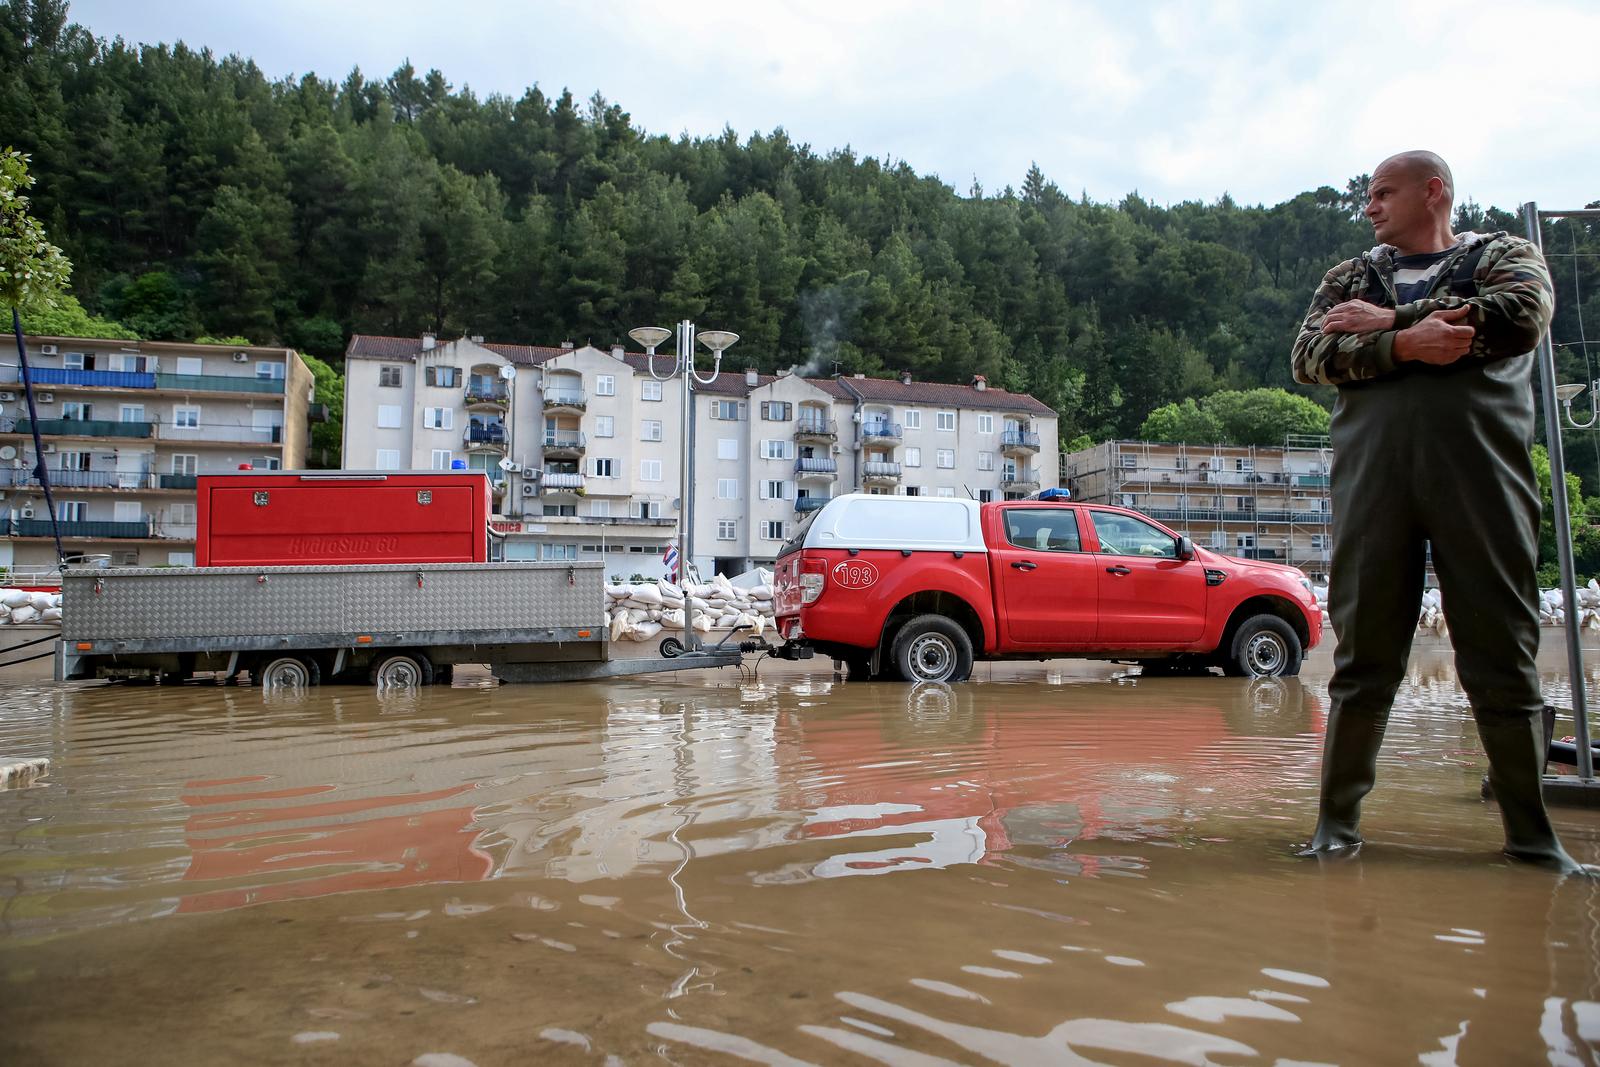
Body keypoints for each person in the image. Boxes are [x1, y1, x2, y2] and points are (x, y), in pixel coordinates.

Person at [1291, 150, 1582, 871]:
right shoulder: (1349, 275)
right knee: (1362, 659)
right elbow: (1308, 354)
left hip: (1483, 481)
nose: (1369, 207)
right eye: (1367, 197)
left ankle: (1532, 837)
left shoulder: (1504, 255)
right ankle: (1335, 827)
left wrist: (1392, 321)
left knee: (1502, 655)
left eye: (1383, 193)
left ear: (1434, 193)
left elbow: (1521, 316)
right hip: (1373, 483)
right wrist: (1408, 345)